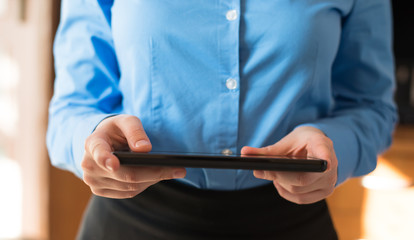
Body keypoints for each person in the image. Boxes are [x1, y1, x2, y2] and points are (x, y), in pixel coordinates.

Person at [47, 0, 397, 239]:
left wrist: (332, 147)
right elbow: (71, 109)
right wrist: (91, 141)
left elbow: (373, 107)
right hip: (131, 223)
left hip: (291, 223)